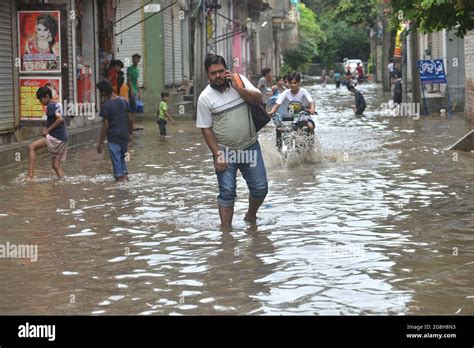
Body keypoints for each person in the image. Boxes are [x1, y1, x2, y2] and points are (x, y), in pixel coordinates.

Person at [196, 54, 268, 230]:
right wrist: (217, 154)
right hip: (225, 152)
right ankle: (226, 235)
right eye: (214, 73)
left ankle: (250, 216)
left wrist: (238, 87)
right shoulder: (205, 98)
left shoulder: (240, 81)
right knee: (227, 192)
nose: (218, 76)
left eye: (221, 71)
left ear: (227, 70)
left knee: (260, 188)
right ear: (208, 75)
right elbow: (206, 128)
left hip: (250, 147)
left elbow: (258, 99)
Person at [26, 87, 67, 181]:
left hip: (56, 137)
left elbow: (60, 119)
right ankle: (64, 182)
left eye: (41, 99)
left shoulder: (50, 106)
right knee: (55, 165)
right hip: (63, 138)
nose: (41, 102)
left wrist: (48, 130)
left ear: (47, 96)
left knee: (31, 147)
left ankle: (30, 176)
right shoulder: (57, 103)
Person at [96, 79, 132, 182]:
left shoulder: (106, 105)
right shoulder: (124, 101)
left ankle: (119, 190)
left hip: (113, 137)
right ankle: (126, 179)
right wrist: (130, 134)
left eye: (100, 92)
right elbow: (130, 119)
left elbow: (105, 126)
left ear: (103, 92)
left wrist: (101, 143)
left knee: (116, 163)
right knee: (124, 158)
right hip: (125, 136)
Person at [127, 53, 141, 130]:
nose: (136, 60)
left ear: (139, 60)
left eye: (137, 59)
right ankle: (132, 124)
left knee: (134, 108)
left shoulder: (137, 70)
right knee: (132, 107)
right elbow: (129, 80)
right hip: (131, 90)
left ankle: (134, 124)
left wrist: (139, 91)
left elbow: (136, 80)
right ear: (132, 60)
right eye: (134, 59)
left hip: (135, 90)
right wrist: (131, 90)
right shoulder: (130, 68)